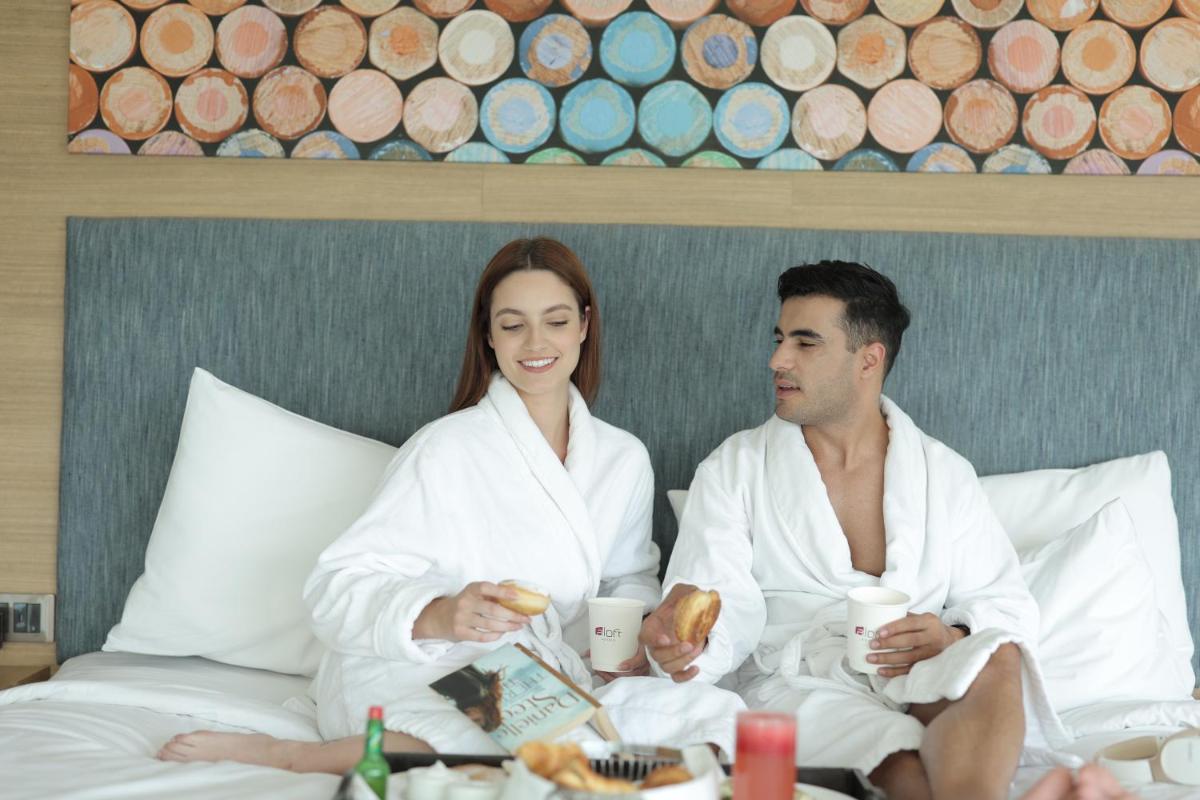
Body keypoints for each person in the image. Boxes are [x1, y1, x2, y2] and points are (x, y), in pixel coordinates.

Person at [159, 237, 743, 772]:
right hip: (427, 660)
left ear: (584, 326)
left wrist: (644, 633)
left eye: (556, 321)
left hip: (542, 672)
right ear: (488, 335)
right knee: (540, 755)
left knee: (716, 717)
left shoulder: (622, 456)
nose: (536, 344)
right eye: (513, 326)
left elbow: (624, 581)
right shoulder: (444, 448)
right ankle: (293, 755)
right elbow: (336, 584)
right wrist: (439, 613)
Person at [640, 261, 1073, 800]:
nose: (777, 360)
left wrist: (951, 636)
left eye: (806, 343)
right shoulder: (735, 468)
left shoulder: (944, 473)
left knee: (997, 655)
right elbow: (714, 595)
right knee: (904, 764)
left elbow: (1004, 604)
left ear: (869, 359)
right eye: (779, 339)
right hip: (800, 682)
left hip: (911, 665)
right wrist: (687, 636)